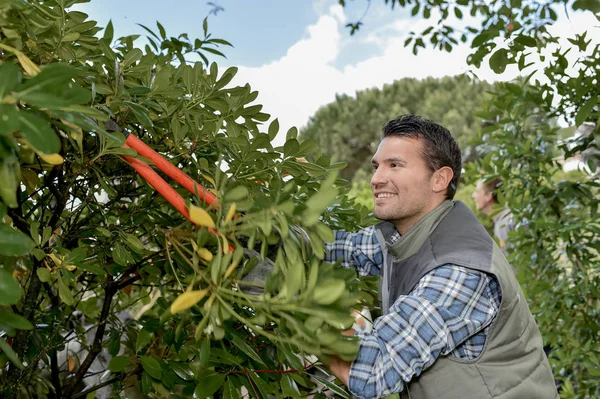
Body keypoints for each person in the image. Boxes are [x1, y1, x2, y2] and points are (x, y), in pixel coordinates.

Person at [324, 115, 557, 399]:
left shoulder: (459, 271)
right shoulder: (403, 235)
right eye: (377, 166)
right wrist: (269, 232)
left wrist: (296, 309)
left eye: (395, 165)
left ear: (439, 179)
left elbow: (370, 372)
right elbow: (333, 247)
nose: (376, 179)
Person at [472, 178, 515, 249]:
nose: (473, 195)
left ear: (488, 196)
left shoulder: (508, 220)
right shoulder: (500, 221)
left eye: (477, 192)